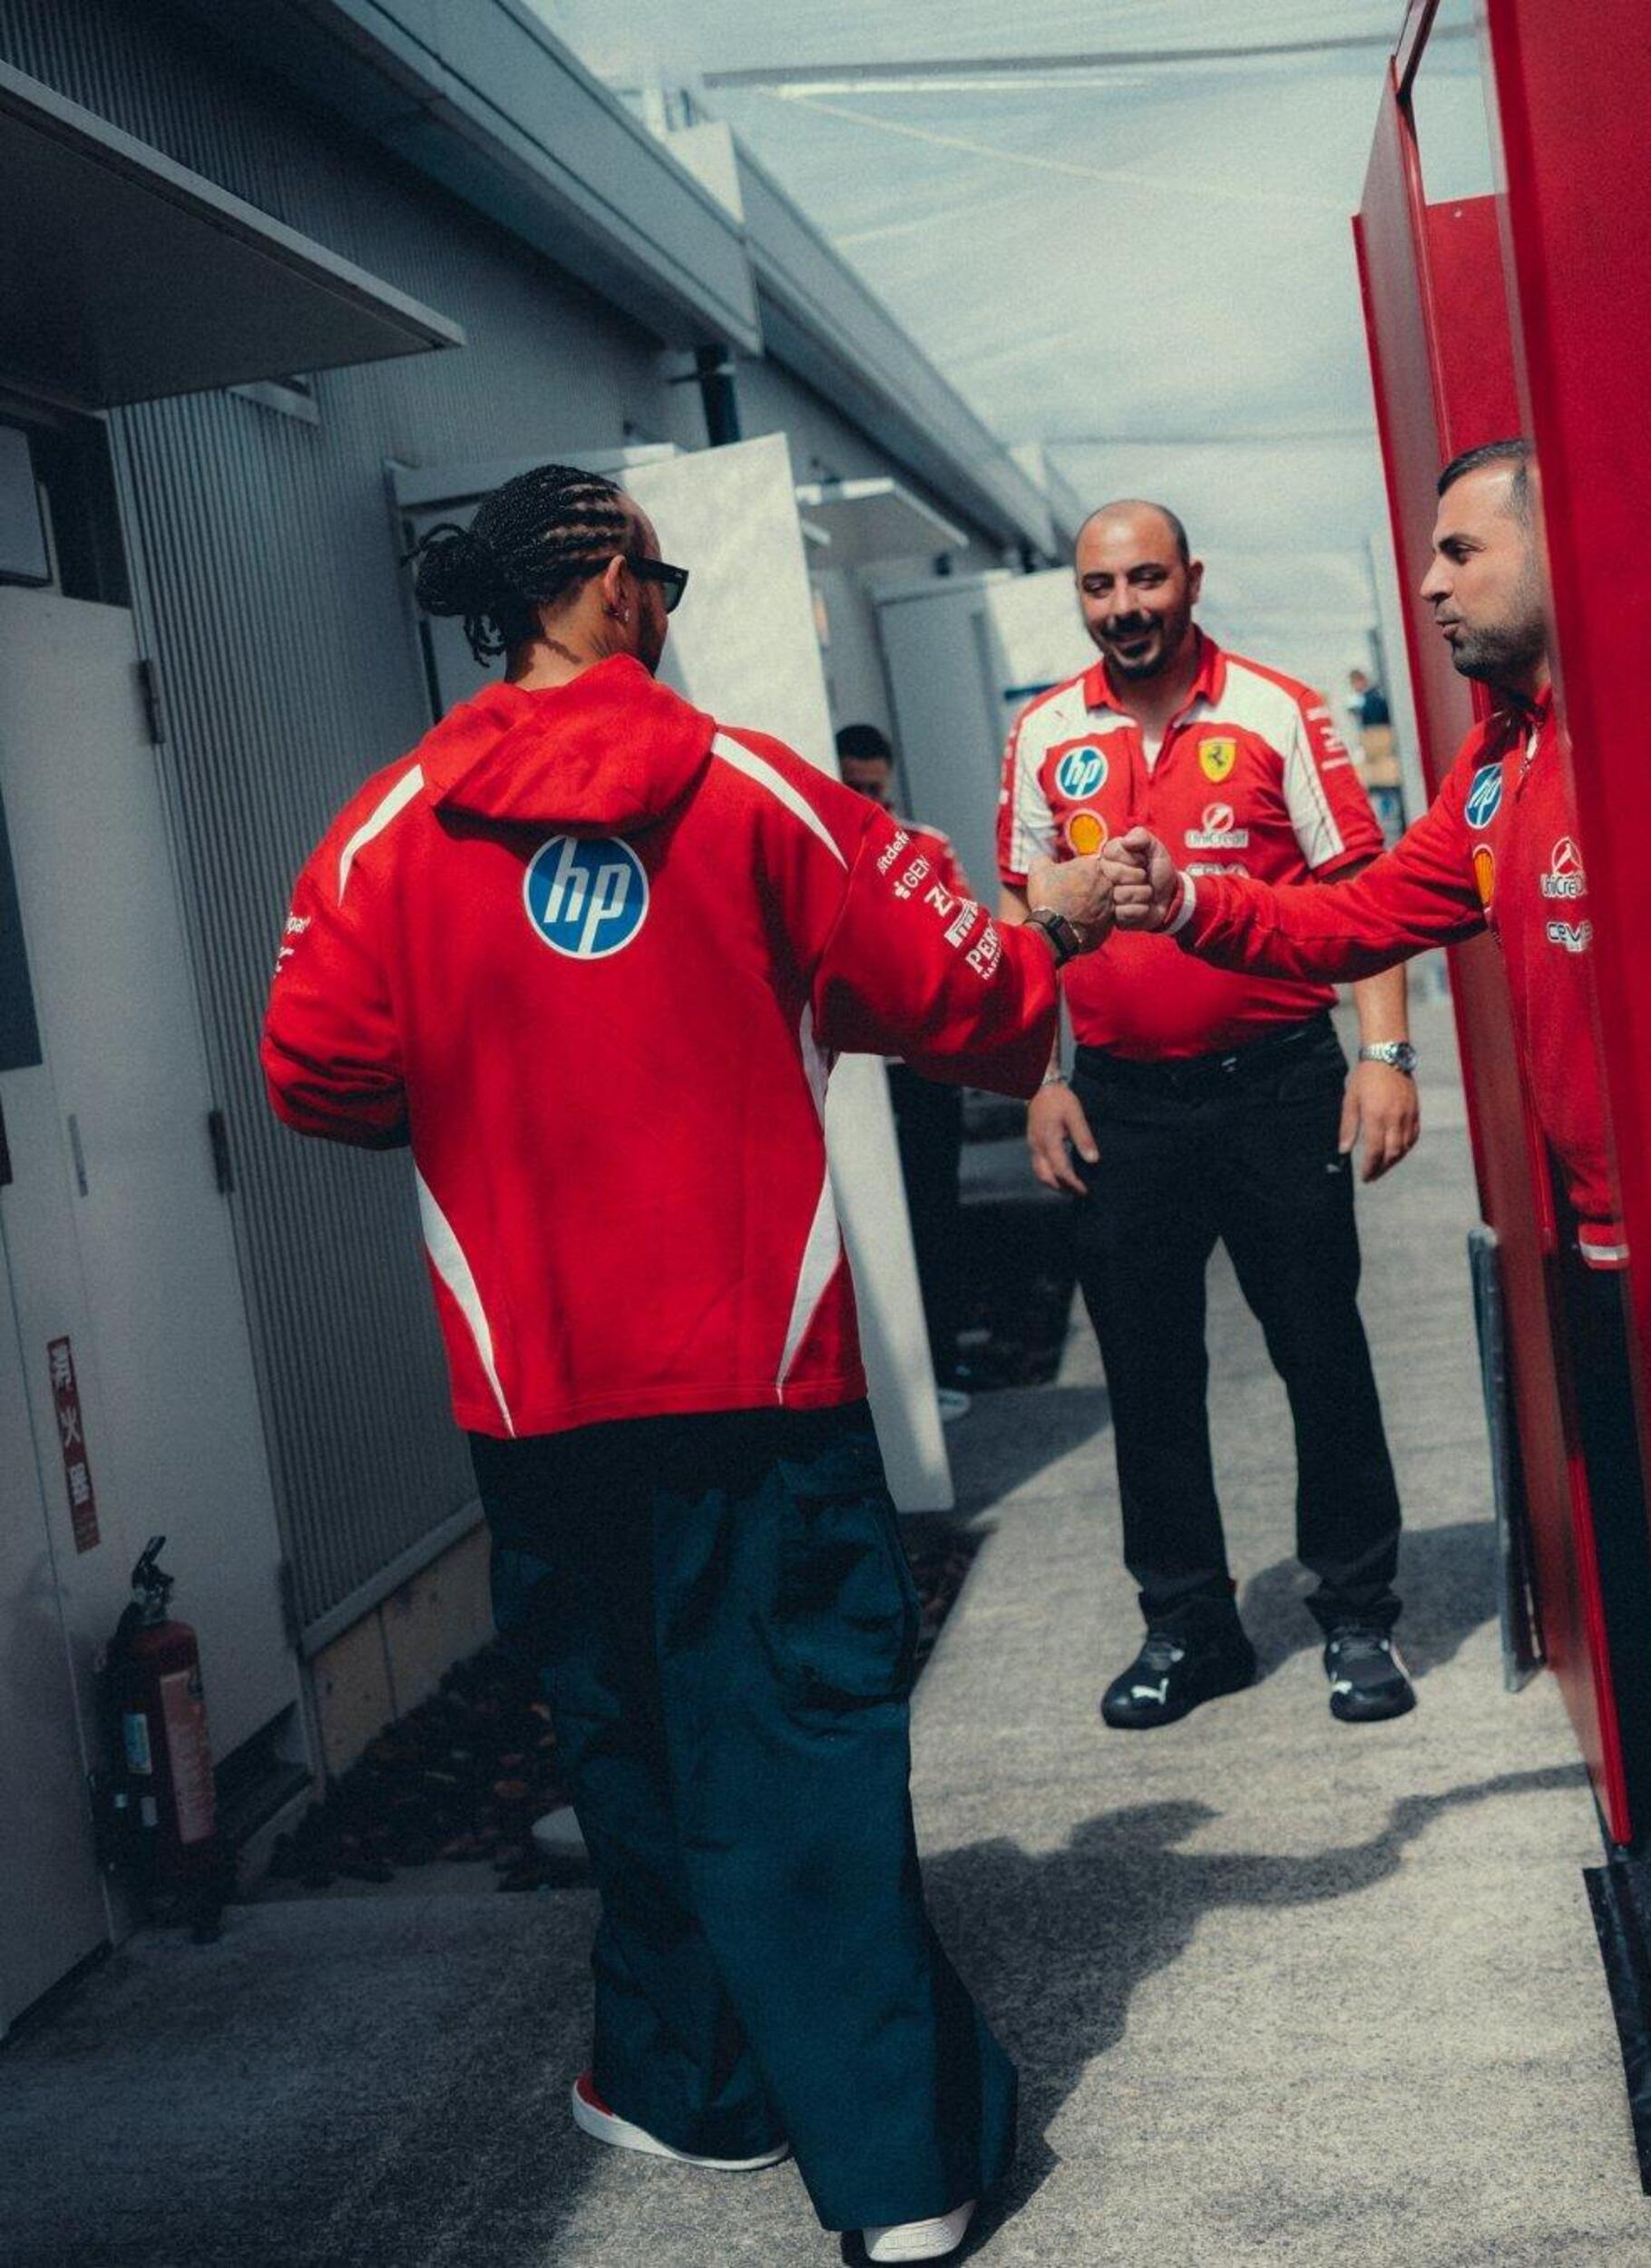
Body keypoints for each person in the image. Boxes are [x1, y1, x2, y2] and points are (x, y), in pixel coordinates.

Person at [262, 463, 1114, 2263]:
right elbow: (957, 992)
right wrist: (1056, 937)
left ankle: (685, 2077)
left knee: (624, 1728)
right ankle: (899, 2170)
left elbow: (315, 1068)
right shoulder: (753, 795)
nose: (671, 603)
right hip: (752, 1373)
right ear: (605, 586)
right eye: (658, 573)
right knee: (793, 1744)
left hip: (536, 1390)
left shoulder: (380, 830)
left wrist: (496, 1096)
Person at [1104, 440, 1651, 1842]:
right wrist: (1191, 902)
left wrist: (1386, 1059)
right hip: (1598, 1245)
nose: (1428, 584)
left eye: (1460, 554)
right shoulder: (1500, 759)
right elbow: (1358, 916)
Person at [997, 498, 1423, 1733]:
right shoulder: (1042, 734)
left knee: (1320, 1353)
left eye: (1144, 579)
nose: (1123, 606)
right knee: (1148, 1376)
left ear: (1191, 577)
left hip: (1278, 1088)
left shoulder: (1277, 710)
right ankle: (1190, 1627)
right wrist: (1040, 1080)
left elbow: (1363, 892)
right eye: (1098, 587)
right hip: (1122, 1109)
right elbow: (1022, 921)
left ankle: (1354, 1613)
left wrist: (1383, 1052)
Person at [835, 722, 972, 1420]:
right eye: (853, 788)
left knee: (933, 1217)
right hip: (852, 1078)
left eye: (875, 791)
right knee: (866, 1226)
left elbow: (962, 941)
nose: (867, 802)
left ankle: (942, 1363)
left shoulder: (926, 847)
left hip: (919, 1068)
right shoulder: (821, 845)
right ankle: (885, 1384)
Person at [1347, 667, 1405, 841]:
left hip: (1379, 753)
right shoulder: (1376, 697)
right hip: (1385, 754)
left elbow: (1373, 732)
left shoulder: (1369, 701)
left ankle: (1390, 824)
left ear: (1359, 681)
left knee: (1384, 792)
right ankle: (1393, 821)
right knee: (1388, 792)